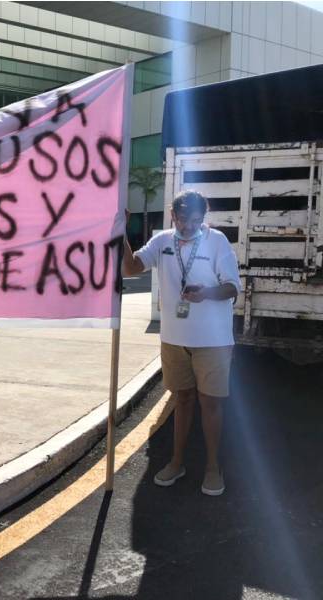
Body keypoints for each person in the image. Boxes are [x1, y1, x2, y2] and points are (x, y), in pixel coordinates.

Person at [122, 190, 240, 496]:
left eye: (195, 219)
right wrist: (120, 232)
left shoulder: (217, 242)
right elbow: (131, 267)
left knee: (210, 404)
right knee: (181, 400)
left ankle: (213, 467)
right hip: (174, 340)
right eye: (182, 218)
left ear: (204, 217)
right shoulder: (163, 241)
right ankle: (177, 462)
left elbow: (231, 288)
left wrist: (206, 293)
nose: (188, 225)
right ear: (173, 215)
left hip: (213, 341)